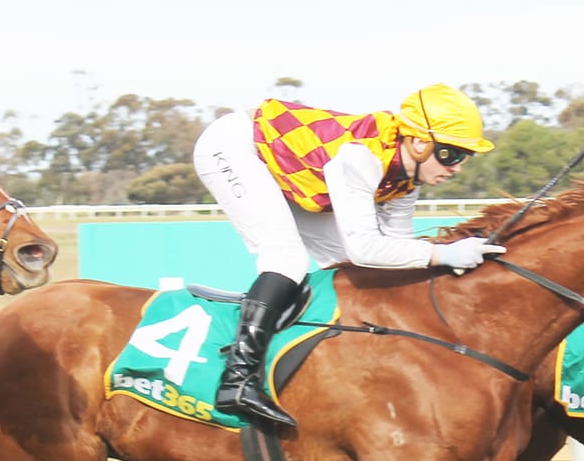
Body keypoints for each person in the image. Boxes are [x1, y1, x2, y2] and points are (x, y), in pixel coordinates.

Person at [192, 83, 502, 427]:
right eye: (451, 154)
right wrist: (443, 255)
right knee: (285, 258)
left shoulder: (406, 179)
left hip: (289, 170)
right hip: (234, 148)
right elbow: (366, 247)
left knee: (358, 272)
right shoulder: (361, 158)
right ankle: (237, 378)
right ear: (418, 143)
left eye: (464, 157)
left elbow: (394, 257)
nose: (457, 167)